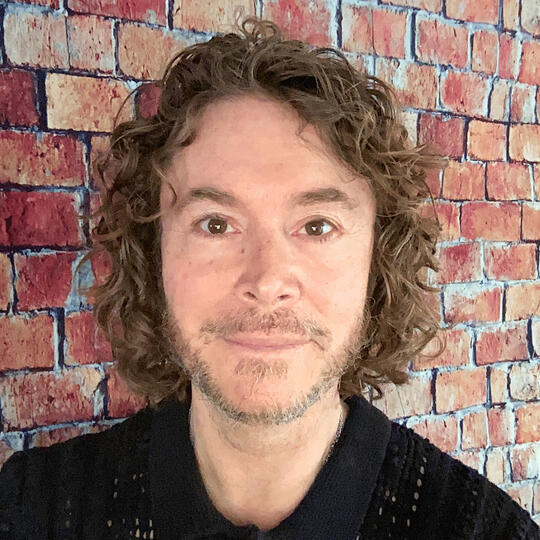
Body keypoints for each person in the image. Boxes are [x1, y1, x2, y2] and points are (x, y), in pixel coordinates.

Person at [0, 15, 538, 540]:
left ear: (378, 262)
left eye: (317, 226)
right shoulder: (29, 507)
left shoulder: (484, 529)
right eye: (215, 224)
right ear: (153, 252)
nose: (266, 279)